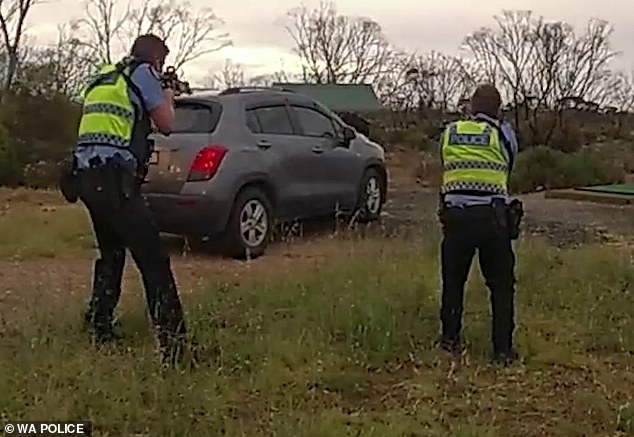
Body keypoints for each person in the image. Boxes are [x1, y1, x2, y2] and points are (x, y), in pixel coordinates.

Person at [69, 34, 187, 365]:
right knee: (153, 259)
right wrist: (168, 92)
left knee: (111, 252)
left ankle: (99, 323)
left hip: (85, 176)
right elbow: (166, 124)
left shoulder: (106, 76)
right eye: (161, 62)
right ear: (156, 59)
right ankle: (176, 348)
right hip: (114, 180)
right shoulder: (144, 74)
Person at [437, 84, 523, 365]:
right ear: (498, 109)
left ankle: (449, 340)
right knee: (501, 285)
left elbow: (444, 159)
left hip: (456, 217)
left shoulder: (450, 132)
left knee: (453, 281)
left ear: (471, 107)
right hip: (492, 218)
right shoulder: (503, 133)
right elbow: (510, 162)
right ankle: (502, 350)